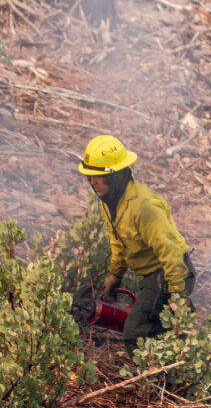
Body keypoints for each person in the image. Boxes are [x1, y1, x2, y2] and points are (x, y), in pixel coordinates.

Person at [78, 135, 195, 354]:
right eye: (89, 177)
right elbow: (118, 243)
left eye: (97, 176)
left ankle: (167, 383)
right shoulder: (110, 201)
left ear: (115, 176)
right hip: (151, 275)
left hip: (169, 273)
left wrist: (178, 296)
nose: (92, 182)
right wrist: (115, 276)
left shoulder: (144, 206)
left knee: (135, 334)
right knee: (156, 331)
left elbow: (170, 252)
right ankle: (172, 359)